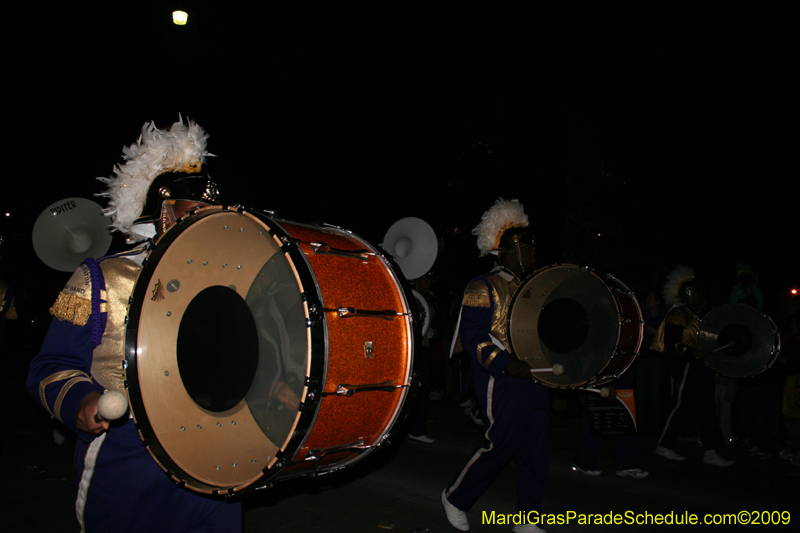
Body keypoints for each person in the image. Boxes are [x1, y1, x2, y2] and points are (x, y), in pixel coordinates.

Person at [26, 119, 242, 532]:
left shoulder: (231, 281)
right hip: (128, 466)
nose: (206, 225)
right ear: (162, 213)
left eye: (214, 216)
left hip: (216, 465)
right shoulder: (95, 279)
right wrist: (81, 402)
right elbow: (48, 366)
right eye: (194, 212)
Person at [442, 198, 549, 533]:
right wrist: (505, 363)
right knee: (500, 444)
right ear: (509, 251)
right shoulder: (482, 286)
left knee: (535, 449)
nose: (534, 255)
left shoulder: (532, 289)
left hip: (534, 379)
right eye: (528, 249)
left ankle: (528, 519)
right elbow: (472, 336)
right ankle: (456, 498)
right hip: (499, 379)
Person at [651, 265, 733, 467]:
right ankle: (664, 445)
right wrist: (693, 352)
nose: (700, 295)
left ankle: (711, 451)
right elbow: (673, 343)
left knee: (706, 409)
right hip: (686, 366)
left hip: (701, 366)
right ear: (687, 293)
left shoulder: (702, 314)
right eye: (696, 292)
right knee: (681, 405)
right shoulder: (678, 314)